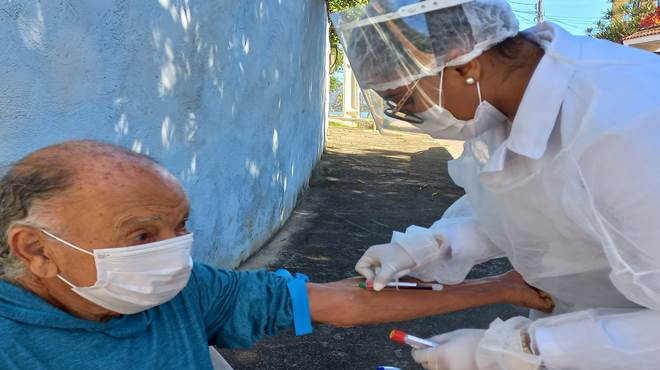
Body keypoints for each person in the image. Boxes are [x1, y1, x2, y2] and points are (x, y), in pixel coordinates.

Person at [0, 140, 552, 369]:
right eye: (143, 236)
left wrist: (500, 289)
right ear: (36, 250)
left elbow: (340, 303)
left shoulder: (191, 292)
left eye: (180, 227)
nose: (173, 253)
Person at [332, 0, 660, 369]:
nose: (408, 117)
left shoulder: (627, 126)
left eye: (404, 100)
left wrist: (525, 349)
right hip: (587, 329)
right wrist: (432, 246)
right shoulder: (501, 101)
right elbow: (527, 202)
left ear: (465, 64)